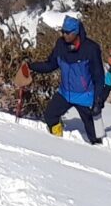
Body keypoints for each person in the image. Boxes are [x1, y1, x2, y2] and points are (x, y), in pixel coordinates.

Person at [32, 14, 107, 142]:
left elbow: (99, 77)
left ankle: (99, 150)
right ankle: (58, 141)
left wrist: (97, 101)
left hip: (85, 97)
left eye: (67, 33)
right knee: (50, 116)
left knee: (95, 135)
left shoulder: (91, 49)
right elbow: (51, 65)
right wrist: (32, 66)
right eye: (63, 32)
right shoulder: (60, 44)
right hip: (65, 94)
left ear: (76, 32)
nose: (64, 35)